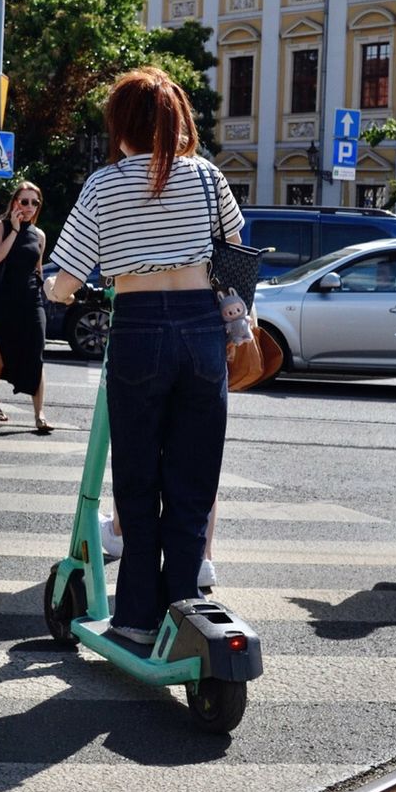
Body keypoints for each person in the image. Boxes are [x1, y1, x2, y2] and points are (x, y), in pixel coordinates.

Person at [46, 66, 246, 646]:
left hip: (138, 330)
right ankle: (183, 609)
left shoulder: (104, 185)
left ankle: (134, 617)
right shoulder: (208, 178)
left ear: (122, 124)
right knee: (193, 478)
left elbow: (67, 277)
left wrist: (59, 290)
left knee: (137, 478)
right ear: (176, 119)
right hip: (203, 330)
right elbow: (236, 255)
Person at [0, 182, 49, 428]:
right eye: (25, 201)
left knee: (37, 355)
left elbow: (38, 269)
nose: (30, 207)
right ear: (15, 203)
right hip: (3, 303)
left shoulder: (40, 235)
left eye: (35, 203)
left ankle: (39, 415)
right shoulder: (0, 227)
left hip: (31, 302)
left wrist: (52, 291)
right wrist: (14, 230)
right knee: (0, 357)